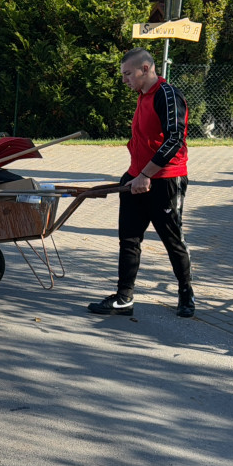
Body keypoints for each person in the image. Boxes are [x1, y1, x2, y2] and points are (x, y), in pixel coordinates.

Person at [88, 47, 195, 318]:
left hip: (165, 181)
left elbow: (174, 140)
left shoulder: (168, 95)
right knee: (129, 239)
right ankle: (124, 298)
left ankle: (186, 294)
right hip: (137, 178)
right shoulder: (142, 95)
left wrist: (146, 175)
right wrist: (135, 175)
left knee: (172, 241)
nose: (124, 80)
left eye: (128, 74)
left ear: (145, 69)